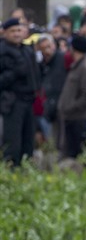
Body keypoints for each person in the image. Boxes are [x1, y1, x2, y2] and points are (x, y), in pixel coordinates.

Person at [0, 18, 40, 166]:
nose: (16, 34)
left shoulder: (26, 49)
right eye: (13, 31)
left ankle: (26, 173)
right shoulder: (3, 51)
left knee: (28, 142)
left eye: (19, 30)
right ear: (5, 33)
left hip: (28, 101)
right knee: (13, 144)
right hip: (12, 102)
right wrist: (13, 73)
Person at [57, 35, 86, 163]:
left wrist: (71, 107)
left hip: (81, 118)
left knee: (80, 156)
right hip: (71, 118)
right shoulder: (77, 65)